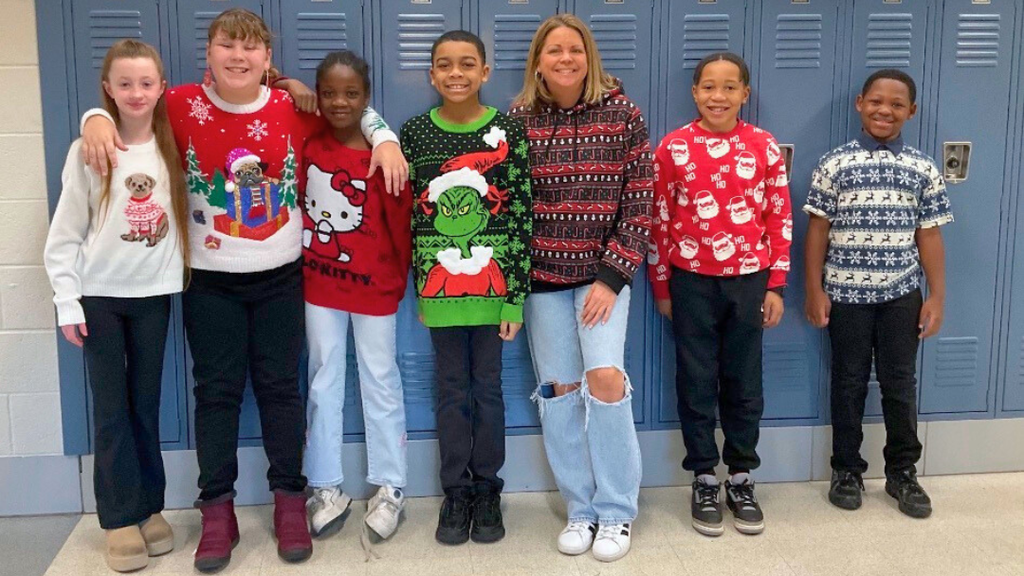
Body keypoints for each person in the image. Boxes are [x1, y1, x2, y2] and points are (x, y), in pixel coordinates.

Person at [76, 8, 408, 572]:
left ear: (267, 59)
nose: (238, 56)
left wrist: (385, 137)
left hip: (281, 277)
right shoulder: (181, 104)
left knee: (281, 390)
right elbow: (128, 108)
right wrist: (93, 117)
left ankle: (288, 501)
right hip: (209, 281)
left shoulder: (289, 106)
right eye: (227, 45)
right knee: (217, 393)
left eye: (250, 48)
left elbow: (348, 105)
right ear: (209, 54)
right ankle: (217, 511)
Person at [509, 14, 652, 563]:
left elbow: (640, 201)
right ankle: (581, 508)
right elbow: (512, 208)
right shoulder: (519, 119)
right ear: (538, 62)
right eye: (554, 51)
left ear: (588, 57)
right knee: (561, 390)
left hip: (601, 282)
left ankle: (616, 511)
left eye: (574, 50)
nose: (564, 59)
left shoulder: (623, 114)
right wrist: (513, 286)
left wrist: (612, 278)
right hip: (542, 281)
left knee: (605, 380)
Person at [43, 39, 188, 573]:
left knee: (145, 405)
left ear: (161, 88)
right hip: (99, 298)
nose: (136, 93)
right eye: (124, 83)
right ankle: (119, 519)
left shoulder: (172, 145)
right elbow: (64, 234)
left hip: (153, 296)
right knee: (110, 410)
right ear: (108, 88)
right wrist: (66, 300)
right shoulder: (89, 149)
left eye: (146, 83)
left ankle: (150, 507)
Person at [649, 52, 792, 537]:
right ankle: (704, 477)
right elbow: (659, 223)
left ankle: (742, 476)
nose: (718, 96)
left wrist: (775, 285)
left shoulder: (765, 147)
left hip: (749, 280)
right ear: (695, 93)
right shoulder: (673, 148)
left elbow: (779, 219)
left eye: (730, 87)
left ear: (745, 94)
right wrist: (662, 286)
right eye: (709, 86)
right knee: (695, 379)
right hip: (691, 281)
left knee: (743, 380)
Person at [400, 30, 531, 546]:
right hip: (441, 293)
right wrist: (418, 286)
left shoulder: (507, 131)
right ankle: (455, 491)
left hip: (494, 294)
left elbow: (521, 214)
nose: (456, 73)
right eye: (444, 65)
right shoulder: (414, 133)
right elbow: (405, 214)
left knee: (488, 392)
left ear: (485, 72)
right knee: (451, 392)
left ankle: (488, 490)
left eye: (467, 64)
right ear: (431, 74)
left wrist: (514, 295)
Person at [804, 69, 952, 519]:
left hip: (901, 294)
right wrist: (814, 290)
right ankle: (846, 469)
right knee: (847, 383)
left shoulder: (922, 167)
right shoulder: (835, 164)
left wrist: (936, 297)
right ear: (860, 104)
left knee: (899, 384)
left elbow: (929, 236)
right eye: (876, 101)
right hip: (845, 295)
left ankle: (902, 472)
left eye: (896, 104)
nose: (884, 110)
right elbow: (817, 233)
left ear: (912, 111)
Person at [299, 50, 413, 541]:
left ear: (367, 98)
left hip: (374, 287)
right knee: (323, 378)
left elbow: (400, 225)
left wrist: (396, 282)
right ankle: (325, 486)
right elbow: (271, 91)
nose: (338, 102)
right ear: (318, 96)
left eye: (351, 94)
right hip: (318, 283)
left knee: (380, 379)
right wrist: (286, 82)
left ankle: (390, 487)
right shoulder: (306, 140)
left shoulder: (384, 154)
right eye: (328, 93)